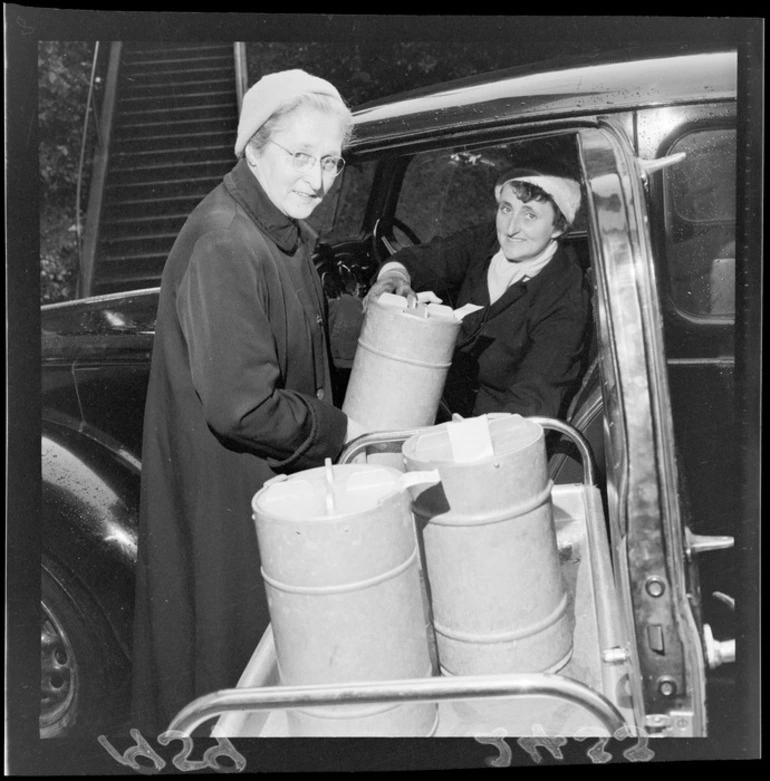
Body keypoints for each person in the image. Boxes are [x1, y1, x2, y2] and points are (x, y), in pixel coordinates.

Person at [131, 69, 366, 735]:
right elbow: (243, 408)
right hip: (229, 497)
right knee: (235, 675)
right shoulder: (225, 242)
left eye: (330, 161)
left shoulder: (280, 226)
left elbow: (303, 318)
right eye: (300, 155)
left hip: (263, 487)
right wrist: (344, 429)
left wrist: (376, 316)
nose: (317, 179)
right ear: (253, 147)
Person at [365, 161, 591, 420]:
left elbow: (533, 400)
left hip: (487, 434)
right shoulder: (486, 242)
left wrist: (473, 438)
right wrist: (394, 276)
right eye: (506, 209)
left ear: (558, 226)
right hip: (428, 396)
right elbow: (423, 260)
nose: (510, 227)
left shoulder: (565, 295)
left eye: (529, 215)